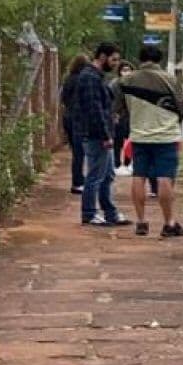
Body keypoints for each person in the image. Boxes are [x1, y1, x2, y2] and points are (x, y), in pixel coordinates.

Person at [118, 43, 183, 238]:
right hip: (166, 136)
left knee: (138, 175)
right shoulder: (170, 80)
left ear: (140, 59)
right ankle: (169, 223)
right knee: (165, 178)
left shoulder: (127, 80)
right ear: (159, 60)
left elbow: (119, 106)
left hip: (139, 135)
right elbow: (181, 106)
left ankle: (141, 221)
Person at [70, 42, 127, 227]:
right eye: (114, 59)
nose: (116, 63)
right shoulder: (90, 78)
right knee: (95, 175)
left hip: (100, 132)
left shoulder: (96, 77)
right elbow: (93, 109)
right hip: (95, 135)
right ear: (103, 57)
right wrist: (105, 135)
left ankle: (110, 211)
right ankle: (89, 213)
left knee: (107, 174)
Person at [58, 54, 90, 194]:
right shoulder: (85, 80)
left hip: (68, 117)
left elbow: (63, 99)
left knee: (76, 152)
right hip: (80, 119)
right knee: (81, 152)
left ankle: (78, 181)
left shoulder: (68, 80)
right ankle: (78, 182)